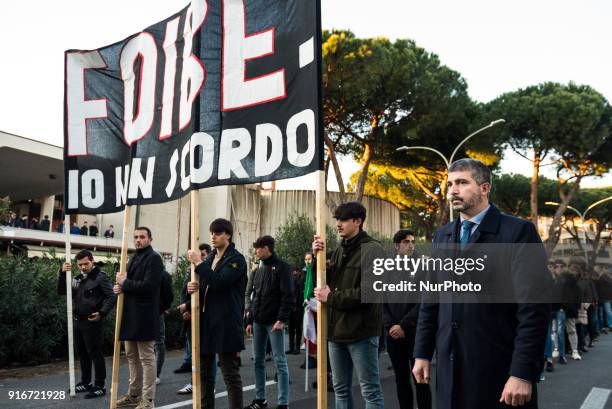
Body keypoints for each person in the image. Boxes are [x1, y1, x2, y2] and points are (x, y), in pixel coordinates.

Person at [412, 158, 551, 409]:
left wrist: (522, 373)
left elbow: (534, 308)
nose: (453, 190)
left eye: (462, 183)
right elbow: (430, 299)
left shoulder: (518, 232)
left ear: (484, 188)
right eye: (450, 183)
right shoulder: (441, 235)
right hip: (449, 372)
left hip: (498, 373)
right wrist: (422, 352)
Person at [313, 201, 386, 409]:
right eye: (337, 219)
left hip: (361, 332)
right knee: (340, 389)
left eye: (343, 219)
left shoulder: (374, 250)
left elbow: (370, 293)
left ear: (358, 221)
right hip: (336, 333)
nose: (338, 224)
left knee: (370, 391)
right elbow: (324, 279)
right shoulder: (338, 250)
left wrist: (332, 298)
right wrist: (316, 256)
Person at [187, 218, 247, 409]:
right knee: (205, 373)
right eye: (212, 232)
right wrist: (192, 287)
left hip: (226, 322)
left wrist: (199, 263)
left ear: (228, 235)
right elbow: (207, 284)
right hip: (206, 323)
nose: (213, 236)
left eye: (218, 233)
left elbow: (220, 282)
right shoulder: (211, 257)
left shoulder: (236, 259)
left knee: (230, 374)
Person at [113, 226, 164, 409]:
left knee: (146, 358)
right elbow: (126, 283)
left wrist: (125, 283)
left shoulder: (154, 259)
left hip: (144, 315)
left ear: (150, 239)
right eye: (135, 237)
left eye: (142, 237)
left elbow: (149, 285)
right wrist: (119, 287)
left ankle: (148, 399)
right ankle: (134, 394)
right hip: (130, 314)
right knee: (131, 356)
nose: (138, 240)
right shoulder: (134, 257)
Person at [57, 250, 116, 398]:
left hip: (92, 321)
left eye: (86, 264)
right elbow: (62, 291)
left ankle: (100, 386)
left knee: (95, 353)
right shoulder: (77, 278)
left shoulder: (100, 277)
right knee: (82, 354)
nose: (83, 267)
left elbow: (111, 297)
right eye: (80, 264)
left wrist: (101, 313)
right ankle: (86, 382)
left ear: (92, 261)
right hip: (77, 321)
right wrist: (63, 273)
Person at [383, 229, 431, 409]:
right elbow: (381, 301)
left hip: (416, 332)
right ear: (396, 246)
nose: (410, 244)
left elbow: (425, 301)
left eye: (412, 241)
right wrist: (390, 326)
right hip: (392, 334)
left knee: (421, 379)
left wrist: (403, 325)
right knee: (401, 380)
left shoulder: (422, 267)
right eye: (406, 241)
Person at [244, 236, 294, 409]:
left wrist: (281, 319)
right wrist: (250, 320)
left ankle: (283, 403)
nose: (255, 252)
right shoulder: (258, 269)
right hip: (258, 321)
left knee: (280, 362)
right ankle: (260, 399)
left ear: (266, 248)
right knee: (258, 361)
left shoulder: (282, 267)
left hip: (274, 323)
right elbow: (255, 296)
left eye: (257, 249)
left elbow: (288, 296)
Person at [175, 243, 211, 395]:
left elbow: (204, 294)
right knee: (192, 351)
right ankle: (194, 382)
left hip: (204, 316)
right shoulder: (191, 269)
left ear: (208, 255)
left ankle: (206, 384)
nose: (200, 257)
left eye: (203, 254)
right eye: (199, 254)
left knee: (204, 354)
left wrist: (188, 306)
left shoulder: (208, 270)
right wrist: (185, 307)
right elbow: (185, 290)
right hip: (190, 316)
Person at [155, 269, 174, 385]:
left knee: (158, 342)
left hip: (156, 312)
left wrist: (163, 307)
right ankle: (150, 373)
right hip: (149, 311)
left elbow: (168, 294)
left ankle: (155, 373)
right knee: (150, 343)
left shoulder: (163, 274)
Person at [287, 267, 304, 355]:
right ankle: (291, 347)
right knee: (291, 329)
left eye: (296, 271)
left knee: (297, 328)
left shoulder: (301, 282)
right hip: (291, 309)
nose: (295, 273)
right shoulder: (290, 282)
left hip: (298, 308)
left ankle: (297, 347)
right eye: (293, 271)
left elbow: (300, 296)